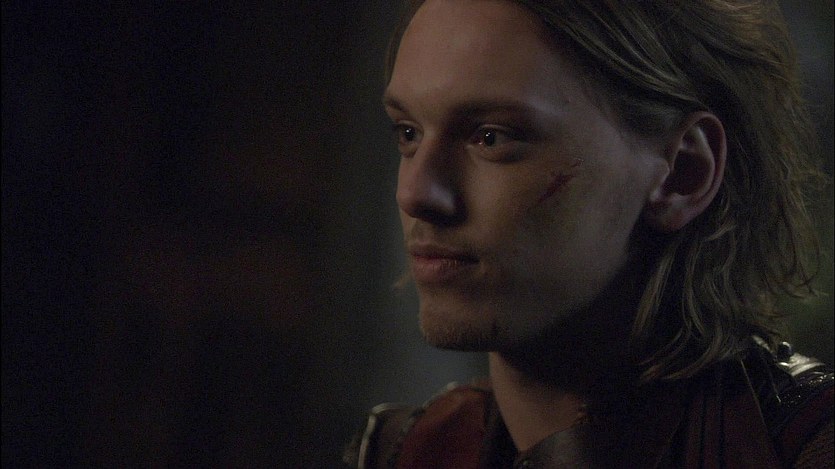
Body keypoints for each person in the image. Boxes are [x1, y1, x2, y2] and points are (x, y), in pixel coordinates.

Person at [345, 0, 833, 467]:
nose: (415, 193)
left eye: (492, 137)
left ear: (683, 173)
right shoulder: (411, 451)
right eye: (408, 133)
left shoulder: (802, 446)